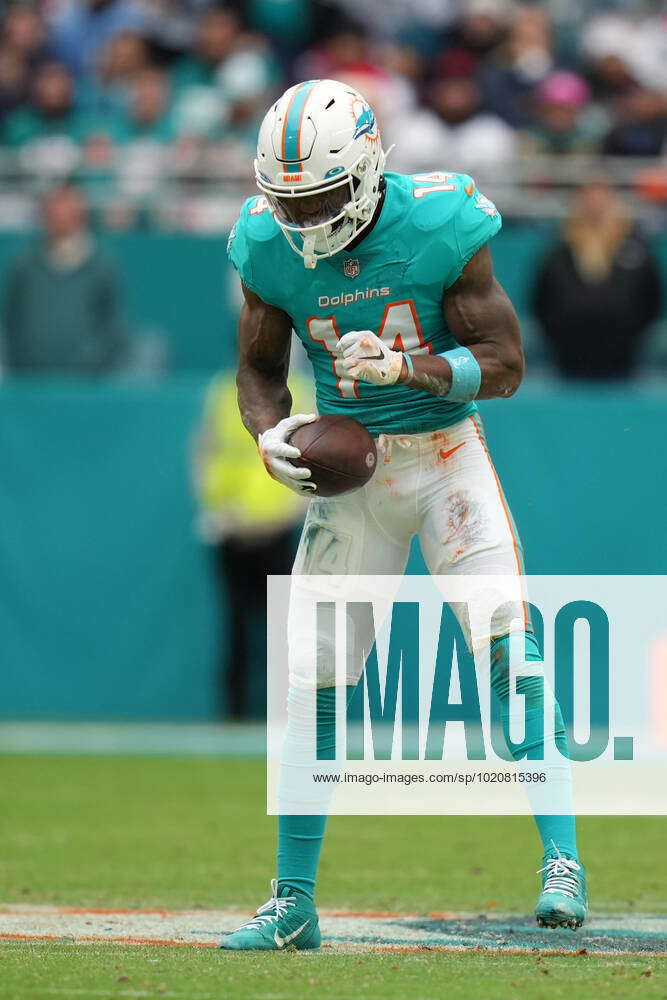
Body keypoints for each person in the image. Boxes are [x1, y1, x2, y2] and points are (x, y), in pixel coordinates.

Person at [221, 79, 587, 951]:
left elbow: (502, 364)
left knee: (510, 651)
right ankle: (293, 901)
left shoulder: (435, 225)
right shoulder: (266, 247)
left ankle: (562, 863)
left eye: (319, 199)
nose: (303, 222)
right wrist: (270, 433)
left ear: (367, 170)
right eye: (288, 203)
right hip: (352, 483)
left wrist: (408, 372)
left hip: (443, 457)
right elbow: (260, 370)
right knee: (312, 683)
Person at [194, 370, 310, 719]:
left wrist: (284, 515)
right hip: (231, 531)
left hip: (276, 531)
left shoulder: (299, 391)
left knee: (284, 628)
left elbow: (312, 458)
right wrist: (215, 509)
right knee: (236, 628)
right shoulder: (222, 391)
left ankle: (287, 713)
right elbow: (204, 448)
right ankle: (234, 716)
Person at [533, 181, 662, 380]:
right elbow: (541, 300)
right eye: (589, 201)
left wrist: (632, 335)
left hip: (624, 357)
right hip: (568, 357)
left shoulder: (637, 248)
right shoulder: (558, 250)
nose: (595, 208)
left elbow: (653, 299)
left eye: (602, 201)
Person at [2, 183, 128, 373]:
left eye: (68, 209)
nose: (61, 216)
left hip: (85, 383)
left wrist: (94, 363)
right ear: (45, 215)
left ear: (81, 215)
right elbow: (11, 319)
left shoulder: (102, 266)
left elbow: (113, 324)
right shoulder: (23, 266)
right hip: (31, 381)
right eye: (55, 210)